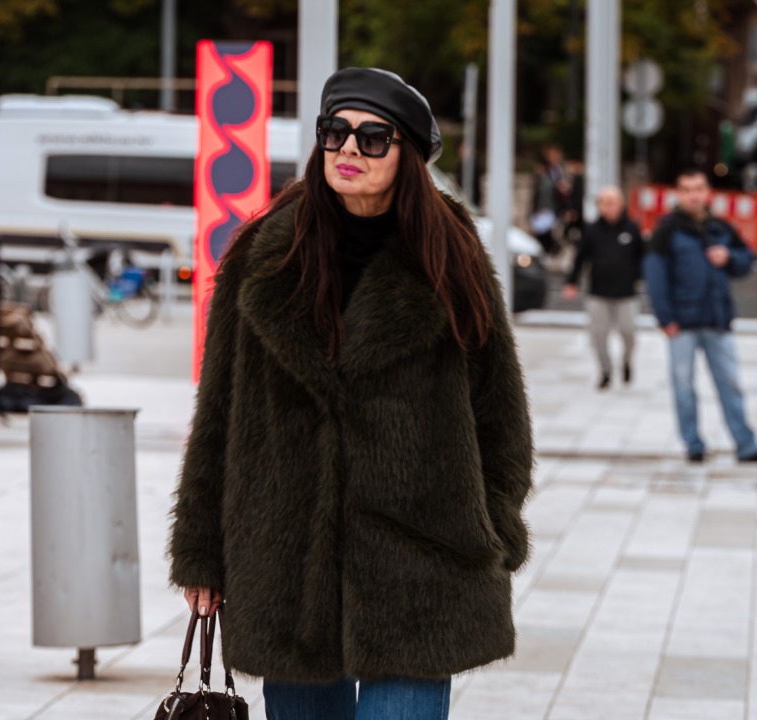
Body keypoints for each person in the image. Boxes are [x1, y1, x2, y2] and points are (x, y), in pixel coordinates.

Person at [169, 67, 533, 720]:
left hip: (422, 565)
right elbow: (217, 414)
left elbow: (499, 414)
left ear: (409, 155)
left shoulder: (451, 260)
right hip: (287, 561)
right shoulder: (263, 256)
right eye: (335, 133)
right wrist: (201, 549)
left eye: (373, 138)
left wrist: (492, 529)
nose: (348, 150)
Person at [644, 169, 757, 464]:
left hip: (718, 320)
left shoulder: (721, 227)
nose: (694, 195)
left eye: (699, 188)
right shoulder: (667, 231)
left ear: (708, 192)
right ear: (679, 194)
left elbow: (746, 260)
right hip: (681, 324)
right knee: (683, 387)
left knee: (730, 383)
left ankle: (746, 446)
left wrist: (729, 257)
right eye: (687, 189)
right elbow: (655, 278)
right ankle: (693, 444)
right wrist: (665, 318)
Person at [563, 185, 644, 389]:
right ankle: (606, 371)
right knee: (598, 335)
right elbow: (580, 259)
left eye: (612, 202)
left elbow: (643, 257)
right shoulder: (592, 230)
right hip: (598, 293)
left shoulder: (632, 228)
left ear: (621, 204)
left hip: (626, 293)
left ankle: (626, 361)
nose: (608, 207)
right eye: (604, 203)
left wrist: (639, 277)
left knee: (629, 332)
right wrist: (571, 282)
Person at [530, 145, 565, 253]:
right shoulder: (542, 172)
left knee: (551, 234)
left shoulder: (560, 172)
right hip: (542, 208)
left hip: (554, 208)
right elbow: (537, 192)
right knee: (541, 234)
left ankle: (554, 252)